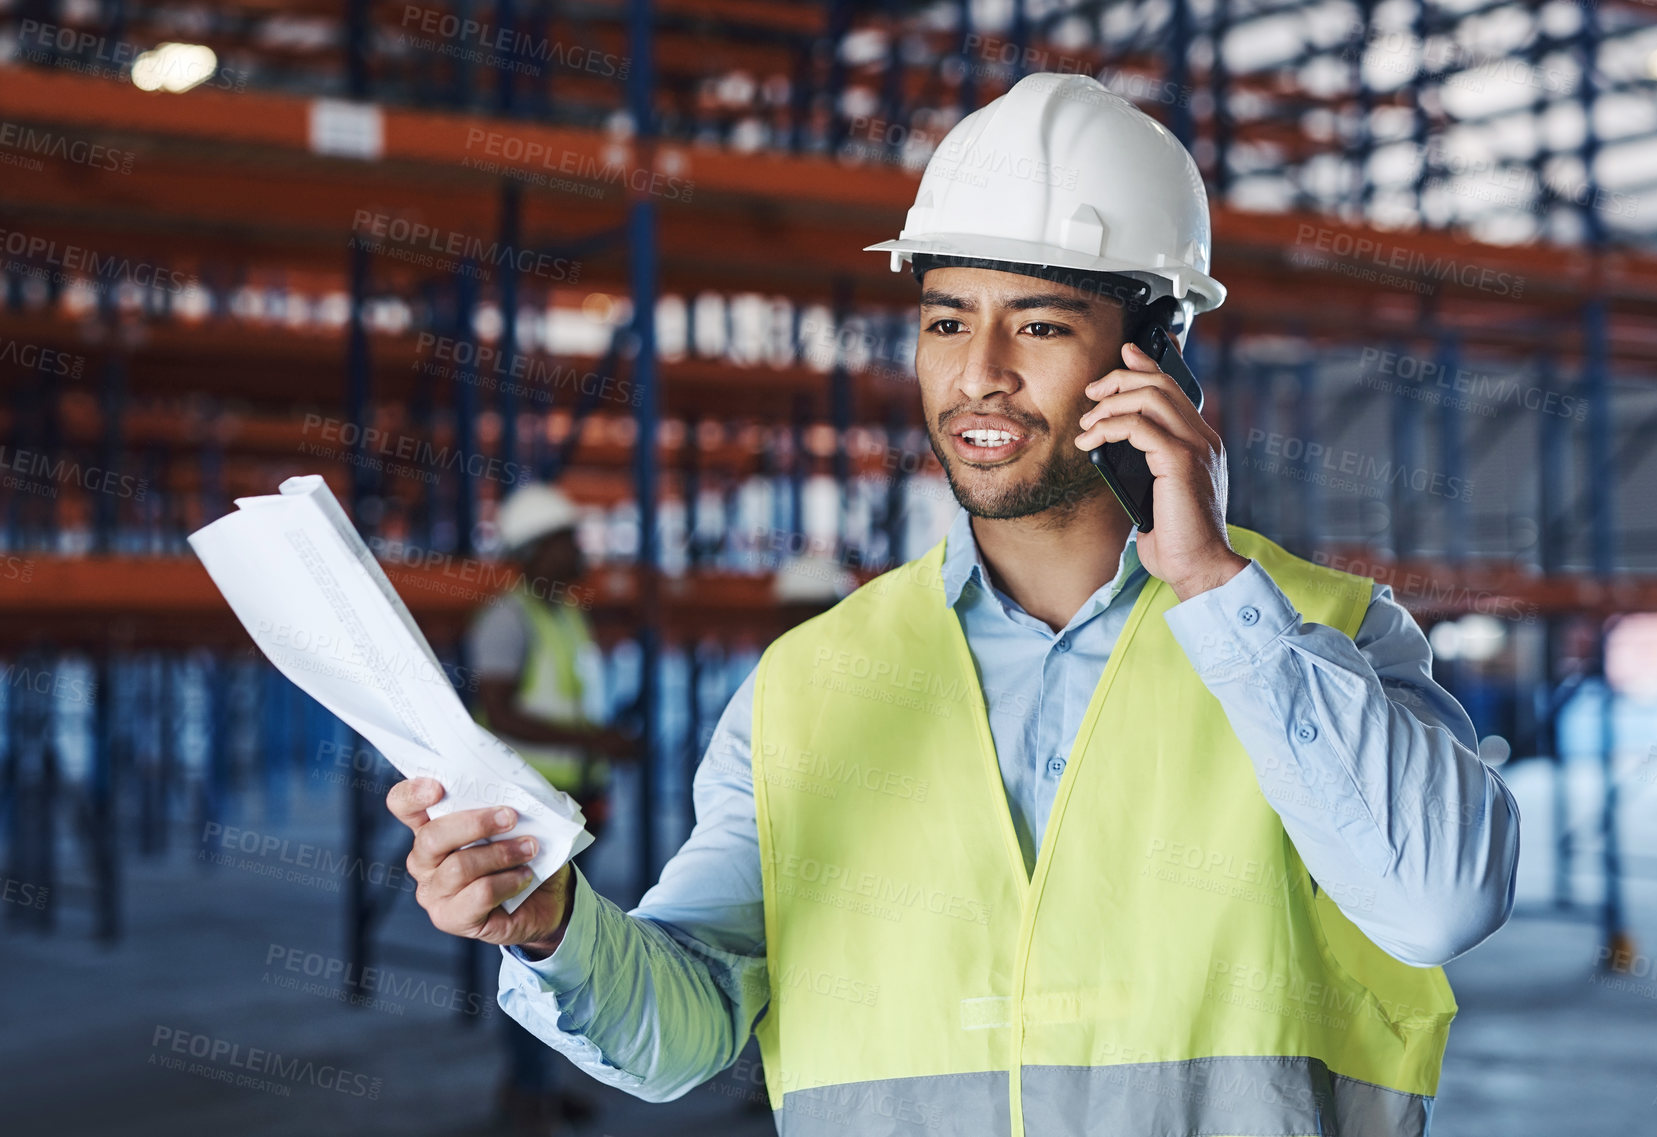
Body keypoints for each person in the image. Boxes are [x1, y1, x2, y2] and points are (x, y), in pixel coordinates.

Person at [388, 73, 1520, 1136]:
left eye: (1036, 325)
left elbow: (1438, 907)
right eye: (944, 321)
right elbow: (683, 1034)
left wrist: (1214, 586)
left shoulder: (1325, 632)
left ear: (1156, 362)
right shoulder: (811, 684)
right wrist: (554, 932)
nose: (978, 372)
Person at [463, 481, 637, 1134]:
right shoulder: (507, 619)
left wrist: (601, 744)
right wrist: (597, 739)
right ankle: (527, 1093)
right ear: (533, 551)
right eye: (567, 539)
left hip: (573, 807)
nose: (579, 549)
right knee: (533, 954)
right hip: (526, 819)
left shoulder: (565, 615)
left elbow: (569, 702)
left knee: (566, 956)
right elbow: (502, 711)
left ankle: (538, 1083)